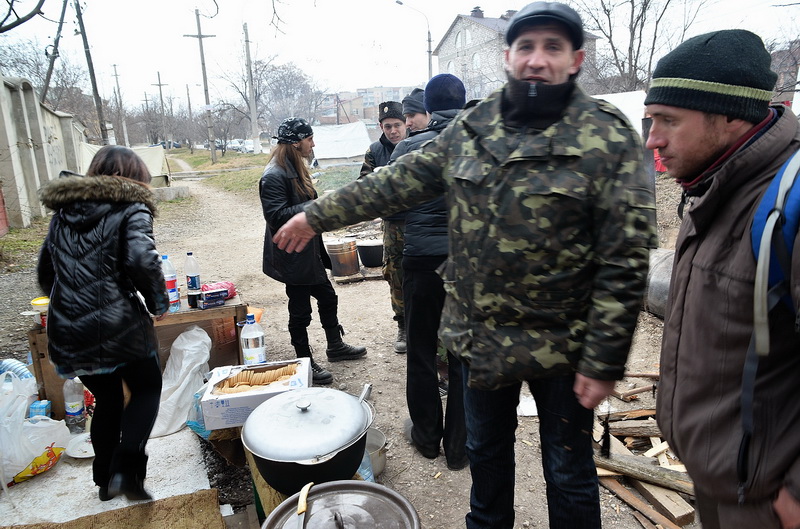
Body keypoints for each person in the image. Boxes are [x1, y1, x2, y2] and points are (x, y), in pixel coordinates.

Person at [273, 3, 657, 527]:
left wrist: (605, 358)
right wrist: (317, 216)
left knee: (569, 476)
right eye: (526, 47)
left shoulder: (608, 134)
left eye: (553, 47)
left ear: (576, 59)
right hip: (483, 341)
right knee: (487, 467)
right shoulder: (476, 129)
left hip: (566, 346)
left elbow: (626, 256)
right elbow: (396, 181)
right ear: (508, 56)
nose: (537, 59)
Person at [645, 30, 800, 529]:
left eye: (668, 121)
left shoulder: (785, 202)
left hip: (769, 497)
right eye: (651, 121)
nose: (652, 139)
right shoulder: (712, 182)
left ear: (732, 114)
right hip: (721, 476)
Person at [37, 145, 170, 502]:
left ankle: (104, 482)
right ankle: (128, 470)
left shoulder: (64, 211)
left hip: (69, 329)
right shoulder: (132, 206)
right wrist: (158, 301)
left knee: (109, 399)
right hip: (119, 325)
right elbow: (142, 260)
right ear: (136, 178)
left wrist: (72, 303)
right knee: (145, 388)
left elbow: (45, 272)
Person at [391, 74, 468, 471]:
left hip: (421, 260)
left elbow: (391, 206)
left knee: (420, 349)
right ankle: (459, 447)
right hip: (465, 264)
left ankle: (425, 438)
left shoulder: (406, 147)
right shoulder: (481, 142)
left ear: (430, 108)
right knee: (461, 355)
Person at [259, 117, 367, 386]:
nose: (313, 143)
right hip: (291, 254)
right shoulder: (274, 175)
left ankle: (335, 346)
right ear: (296, 143)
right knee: (300, 311)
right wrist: (316, 207)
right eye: (309, 139)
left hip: (308, 252)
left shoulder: (294, 168)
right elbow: (275, 216)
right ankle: (304, 361)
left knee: (328, 297)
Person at [360, 100, 409, 354]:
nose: (393, 131)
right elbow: (363, 184)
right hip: (392, 224)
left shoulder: (416, 145)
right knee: (395, 273)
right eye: (388, 126)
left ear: (405, 124)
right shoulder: (374, 151)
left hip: (417, 222)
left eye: (397, 125)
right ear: (381, 126)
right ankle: (402, 324)